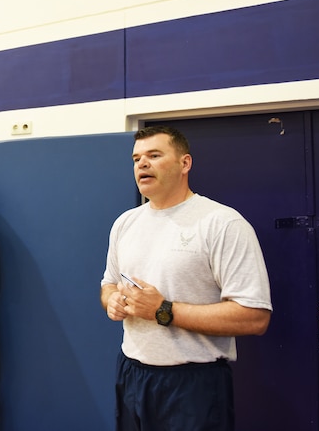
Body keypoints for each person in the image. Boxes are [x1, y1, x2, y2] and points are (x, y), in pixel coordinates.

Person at [100, 125, 272, 431]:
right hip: (132, 373)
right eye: (136, 158)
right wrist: (112, 300)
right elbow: (108, 283)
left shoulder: (222, 224)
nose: (142, 164)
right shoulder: (125, 223)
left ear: (185, 163)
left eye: (154, 155)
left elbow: (254, 317)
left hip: (194, 383)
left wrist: (163, 310)